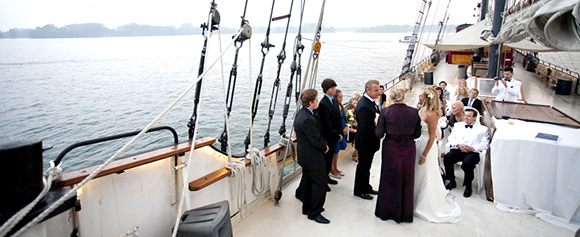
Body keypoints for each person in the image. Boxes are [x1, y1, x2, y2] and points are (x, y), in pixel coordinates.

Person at [414, 87, 464, 223]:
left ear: (427, 97)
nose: (418, 95)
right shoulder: (422, 109)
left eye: (421, 94)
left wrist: (424, 155)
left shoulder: (431, 114)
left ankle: (424, 203)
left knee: (425, 172)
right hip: (418, 143)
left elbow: (432, 137)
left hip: (426, 145)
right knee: (417, 171)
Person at [374, 88, 422, 223]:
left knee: (389, 177)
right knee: (406, 178)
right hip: (408, 147)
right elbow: (417, 134)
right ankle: (405, 213)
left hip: (391, 148)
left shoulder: (386, 112)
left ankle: (386, 211)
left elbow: (379, 133)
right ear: (404, 96)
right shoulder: (414, 112)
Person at [294, 88, 330, 224]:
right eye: (316, 100)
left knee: (308, 180)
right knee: (320, 183)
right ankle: (314, 212)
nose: (317, 102)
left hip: (305, 155)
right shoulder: (308, 119)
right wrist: (325, 146)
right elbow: (315, 140)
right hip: (312, 157)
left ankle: (307, 207)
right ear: (310, 102)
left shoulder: (302, 113)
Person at [444, 108, 490, 198]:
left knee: (467, 163)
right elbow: (451, 138)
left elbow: (485, 144)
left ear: (474, 118)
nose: (466, 117)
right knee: (447, 157)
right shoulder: (458, 126)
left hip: (472, 152)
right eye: (465, 115)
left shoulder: (482, 129)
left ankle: (468, 186)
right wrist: (459, 145)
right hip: (459, 149)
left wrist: (472, 148)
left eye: (469, 116)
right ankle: (452, 181)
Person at [353, 80, 381, 200]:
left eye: (379, 90)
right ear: (367, 90)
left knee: (367, 165)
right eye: (376, 90)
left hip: (370, 141)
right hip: (366, 141)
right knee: (363, 166)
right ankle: (359, 190)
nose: (378, 92)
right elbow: (365, 127)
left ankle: (366, 186)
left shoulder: (371, 102)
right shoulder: (364, 105)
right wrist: (378, 127)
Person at [318, 78, 343, 187]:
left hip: (334, 135)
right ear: (326, 89)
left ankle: (327, 176)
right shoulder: (323, 103)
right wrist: (336, 135)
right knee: (326, 159)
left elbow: (338, 118)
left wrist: (340, 132)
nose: (334, 90)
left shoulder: (333, 100)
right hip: (328, 136)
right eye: (331, 88)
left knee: (330, 157)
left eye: (334, 87)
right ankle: (323, 180)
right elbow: (327, 124)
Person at [330, 89, 348, 179]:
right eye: (339, 97)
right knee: (334, 151)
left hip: (343, 129)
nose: (341, 99)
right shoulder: (334, 107)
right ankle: (332, 169)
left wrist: (346, 127)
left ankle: (335, 167)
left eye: (342, 97)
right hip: (338, 131)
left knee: (337, 151)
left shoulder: (340, 106)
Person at [345, 97, 359, 162]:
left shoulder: (356, 113)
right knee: (361, 136)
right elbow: (348, 127)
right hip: (348, 134)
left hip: (353, 131)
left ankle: (357, 153)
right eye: (354, 103)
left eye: (356, 103)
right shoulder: (348, 114)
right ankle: (355, 154)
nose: (355, 105)